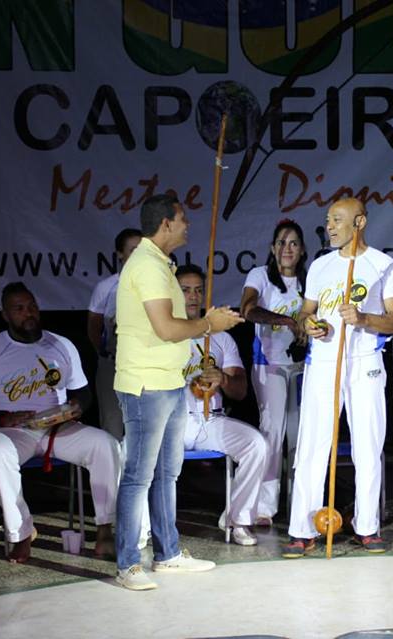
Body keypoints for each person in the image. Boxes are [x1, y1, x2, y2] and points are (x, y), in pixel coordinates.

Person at [113, 193, 242, 591]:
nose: (188, 225)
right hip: (145, 384)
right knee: (138, 475)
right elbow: (167, 328)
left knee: (167, 473)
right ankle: (128, 564)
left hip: (168, 382)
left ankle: (167, 554)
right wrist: (210, 324)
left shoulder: (161, 264)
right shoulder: (147, 265)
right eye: (183, 219)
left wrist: (208, 323)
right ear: (166, 224)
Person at [0, 283, 121, 563]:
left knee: (107, 445)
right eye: (19, 309)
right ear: (5, 315)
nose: (28, 313)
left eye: (31, 306)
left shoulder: (61, 344)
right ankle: (21, 532)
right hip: (13, 430)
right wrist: (1, 417)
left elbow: (83, 392)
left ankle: (105, 530)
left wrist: (77, 406)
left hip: (58, 427)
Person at [282, 197, 393, 558]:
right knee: (312, 445)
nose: (330, 227)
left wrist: (365, 319)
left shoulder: (383, 266)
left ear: (360, 222)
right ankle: (302, 530)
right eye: (328, 220)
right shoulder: (320, 266)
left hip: (365, 361)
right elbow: (305, 312)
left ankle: (367, 527)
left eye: (337, 220)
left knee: (368, 445)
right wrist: (310, 324)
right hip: (323, 360)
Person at [178, 265, 267, 545]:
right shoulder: (165, 334)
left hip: (210, 419)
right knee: (133, 453)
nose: (193, 296)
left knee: (256, 444)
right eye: (185, 290)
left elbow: (240, 391)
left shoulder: (220, 337)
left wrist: (223, 379)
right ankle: (143, 530)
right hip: (172, 422)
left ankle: (237, 519)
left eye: (198, 290)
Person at [239, 218, 308, 525]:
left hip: (303, 364)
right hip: (269, 363)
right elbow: (248, 310)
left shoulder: (310, 279)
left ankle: (300, 503)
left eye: (293, 243)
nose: (287, 249)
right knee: (272, 432)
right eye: (281, 242)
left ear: (302, 249)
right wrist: (287, 321)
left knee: (299, 434)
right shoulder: (260, 276)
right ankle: (265, 506)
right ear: (272, 248)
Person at [88, 228, 142, 440]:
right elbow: (93, 326)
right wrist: (104, 354)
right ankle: (114, 462)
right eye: (133, 250)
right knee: (113, 424)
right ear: (120, 253)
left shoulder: (157, 284)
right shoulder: (107, 287)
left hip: (145, 366)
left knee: (146, 426)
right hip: (113, 365)